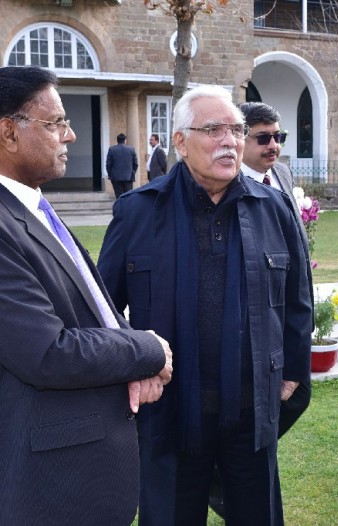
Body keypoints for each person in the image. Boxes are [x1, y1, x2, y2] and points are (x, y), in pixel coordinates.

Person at [97, 84, 313, 525]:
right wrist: (132, 365)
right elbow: (103, 309)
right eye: (214, 129)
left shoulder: (274, 208)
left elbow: (298, 299)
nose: (229, 141)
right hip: (169, 415)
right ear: (180, 141)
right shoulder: (138, 212)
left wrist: (293, 370)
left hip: (250, 416)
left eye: (236, 130)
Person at [0, 65, 173, 526]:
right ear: (8, 133)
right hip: (50, 488)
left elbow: (92, 308)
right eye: (56, 122)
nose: (70, 135)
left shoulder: (31, 207)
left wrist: (134, 362)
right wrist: (147, 349)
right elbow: (46, 351)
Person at [205, 101, 311, 516]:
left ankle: (225, 476)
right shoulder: (222, 190)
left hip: (284, 307)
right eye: (263, 138)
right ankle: (221, 478)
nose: (274, 146)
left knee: (295, 399)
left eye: (278, 137)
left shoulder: (281, 177)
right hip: (248, 328)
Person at [106, 132, 138, 197]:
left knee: (119, 197)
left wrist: (110, 174)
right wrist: (132, 172)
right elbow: (135, 163)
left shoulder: (112, 149)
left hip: (116, 177)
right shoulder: (131, 149)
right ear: (125, 140)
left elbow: (108, 164)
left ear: (117, 140)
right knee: (128, 197)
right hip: (128, 177)